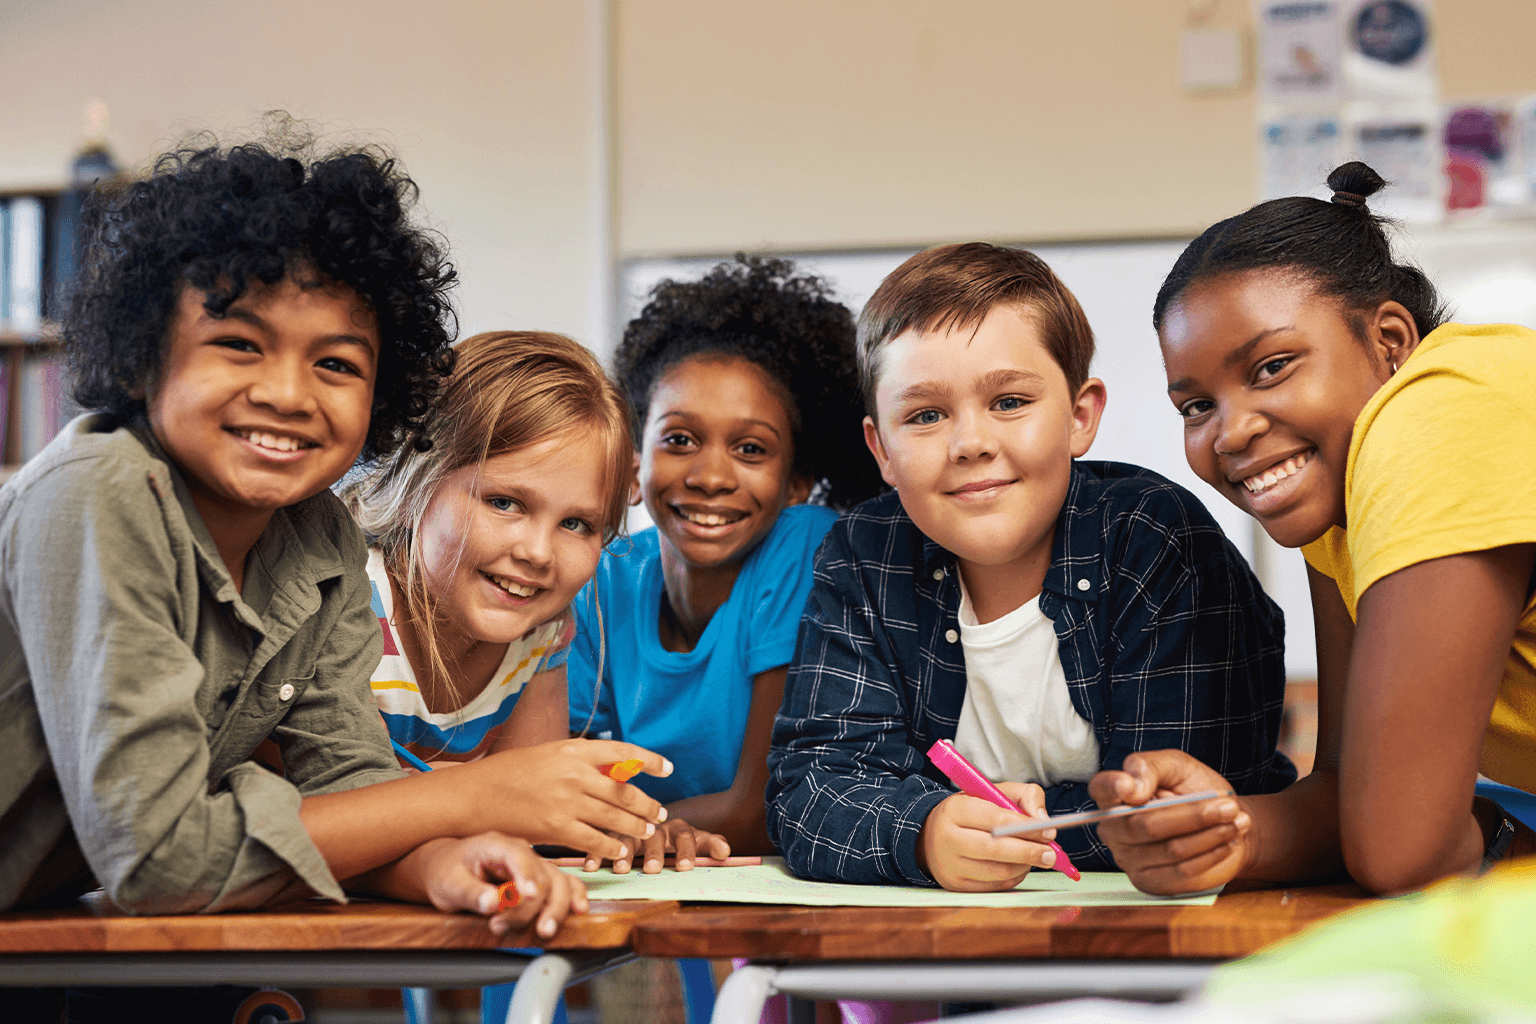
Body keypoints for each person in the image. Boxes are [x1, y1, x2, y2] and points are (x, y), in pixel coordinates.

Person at [0, 132, 600, 940]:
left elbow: (348, 787)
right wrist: (473, 795)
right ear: (142, 361)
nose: (287, 393)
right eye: (239, 345)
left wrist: (440, 863)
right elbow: (160, 859)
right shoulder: (99, 491)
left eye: (337, 365)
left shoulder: (321, 539)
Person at [767, 242, 1293, 892]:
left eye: (1010, 402)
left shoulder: (1154, 538)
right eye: (925, 416)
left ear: (1079, 417)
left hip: (1183, 926)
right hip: (954, 932)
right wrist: (925, 833)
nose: (971, 443)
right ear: (882, 450)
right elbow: (809, 789)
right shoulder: (862, 553)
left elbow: (1174, 808)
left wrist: (990, 827)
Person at [1095, 161, 1536, 896]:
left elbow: (1401, 850)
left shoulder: (1443, 411)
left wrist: (1484, 829)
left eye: (1271, 367)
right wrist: (1224, 831)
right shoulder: (1342, 494)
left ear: (1390, 340)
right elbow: (1345, 789)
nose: (1231, 432)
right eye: (1196, 406)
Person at [567, 254, 884, 872]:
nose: (711, 476)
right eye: (679, 440)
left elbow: (762, 806)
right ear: (635, 459)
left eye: (750, 449)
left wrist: (621, 828)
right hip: (657, 882)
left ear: (797, 482)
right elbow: (559, 790)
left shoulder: (805, 547)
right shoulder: (604, 578)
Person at [344, 329, 674, 857]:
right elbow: (329, 812)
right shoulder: (349, 605)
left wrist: (625, 828)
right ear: (415, 482)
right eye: (504, 503)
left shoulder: (543, 629)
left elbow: (529, 822)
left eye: (576, 524)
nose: (538, 553)